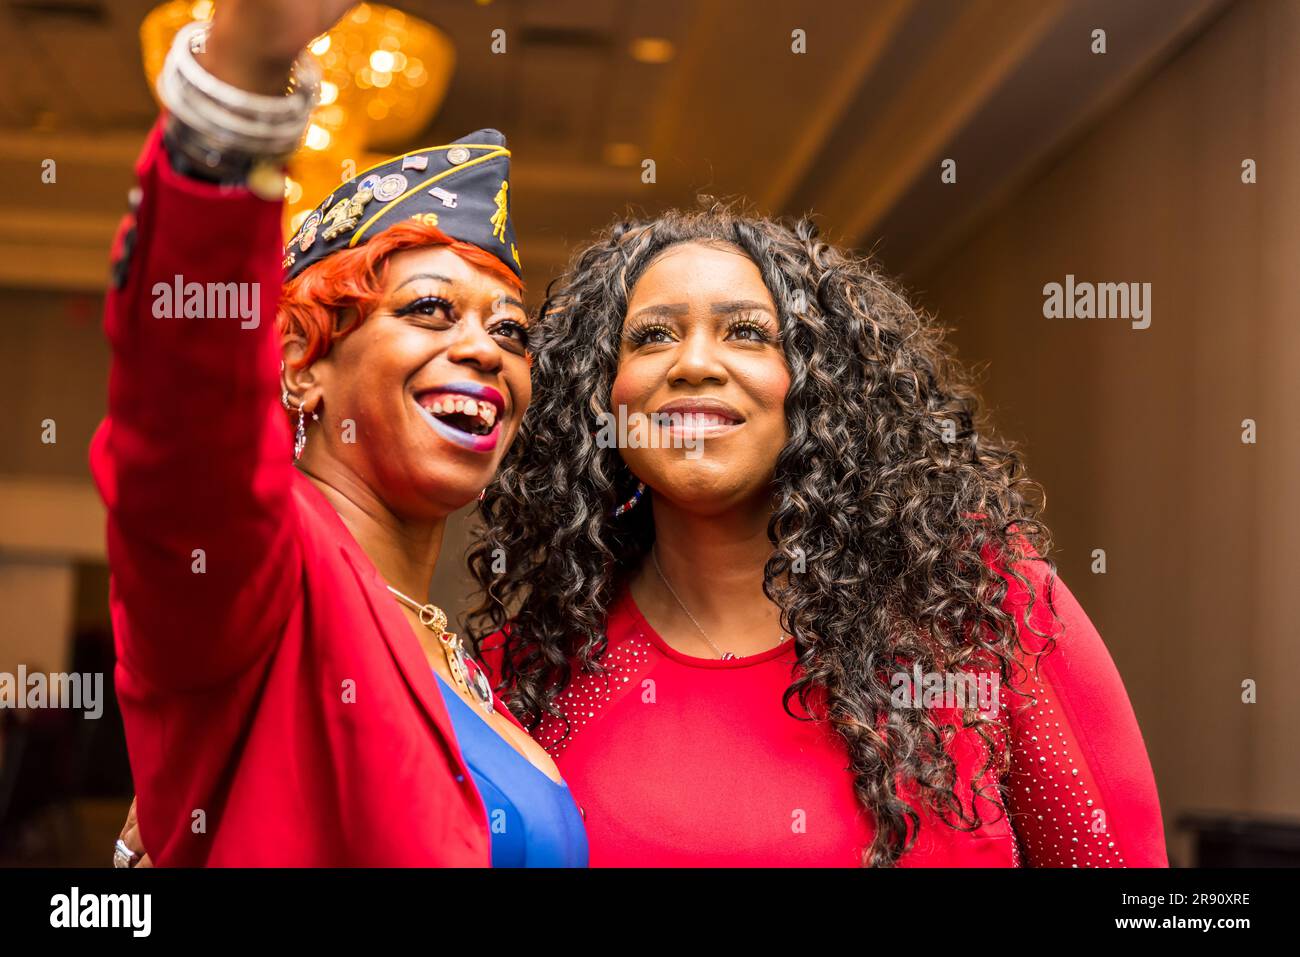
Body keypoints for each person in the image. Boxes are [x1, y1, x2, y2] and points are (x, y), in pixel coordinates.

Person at [467, 204, 1169, 867]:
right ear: (601, 394)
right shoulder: (531, 667)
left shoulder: (980, 613)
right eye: (652, 335)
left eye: (747, 332)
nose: (694, 363)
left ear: (819, 383)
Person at [97, 0, 586, 867]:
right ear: (300, 363)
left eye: (510, 330)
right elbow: (182, 426)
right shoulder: (263, 575)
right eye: (429, 310)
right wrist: (239, 79)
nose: (483, 348)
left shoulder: (466, 653)